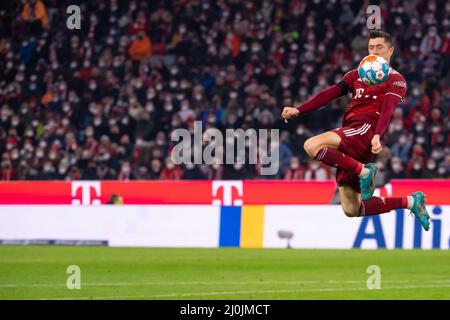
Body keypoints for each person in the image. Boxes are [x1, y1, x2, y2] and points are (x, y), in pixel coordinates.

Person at [281, 30, 430, 231]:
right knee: (351, 209)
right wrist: (299, 109)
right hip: (350, 132)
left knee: (311, 145)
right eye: (371, 48)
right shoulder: (357, 73)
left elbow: (388, 108)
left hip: (365, 131)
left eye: (379, 47)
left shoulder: (396, 79)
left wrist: (377, 135)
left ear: (390, 51)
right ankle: (411, 202)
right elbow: (330, 93)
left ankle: (364, 171)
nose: (374, 52)